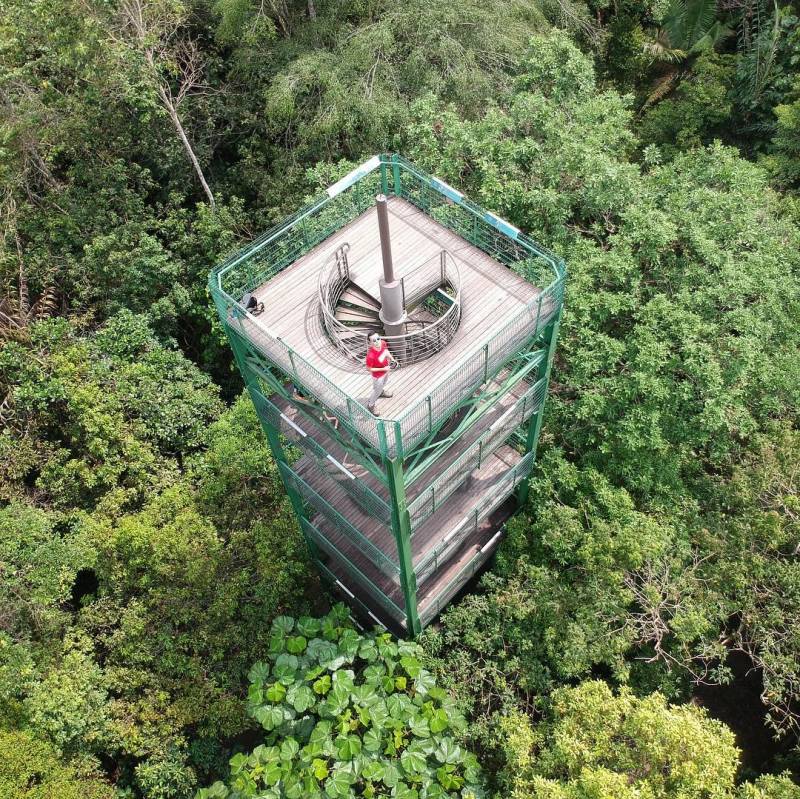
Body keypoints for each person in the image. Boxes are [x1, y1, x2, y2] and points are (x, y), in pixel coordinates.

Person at [365, 332, 396, 412]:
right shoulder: (371, 356)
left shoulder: (383, 343)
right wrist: (383, 369)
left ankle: (381, 392)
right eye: (374, 340)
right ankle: (370, 405)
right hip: (378, 376)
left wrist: (392, 359)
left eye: (378, 339)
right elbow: (369, 369)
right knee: (376, 391)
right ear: (370, 343)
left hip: (385, 370)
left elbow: (386, 351)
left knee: (384, 382)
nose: (377, 342)